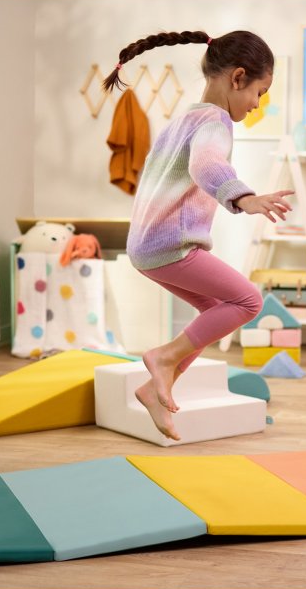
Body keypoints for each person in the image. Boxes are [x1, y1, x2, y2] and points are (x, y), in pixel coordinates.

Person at [102, 30, 293, 441]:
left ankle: (156, 389)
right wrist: (244, 198)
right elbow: (205, 165)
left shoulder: (184, 119)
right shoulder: (215, 121)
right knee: (248, 300)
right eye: (259, 92)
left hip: (146, 244)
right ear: (238, 78)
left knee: (215, 314)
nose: (257, 104)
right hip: (170, 245)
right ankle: (162, 359)